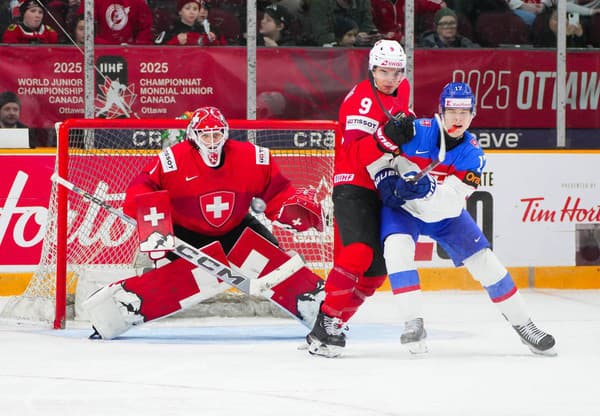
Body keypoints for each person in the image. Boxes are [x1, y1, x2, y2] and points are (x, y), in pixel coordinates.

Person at [379, 82, 557, 356]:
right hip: (404, 208)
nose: (458, 118)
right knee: (396, 248)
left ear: (473, 114)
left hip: (444, 215)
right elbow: (382, 154)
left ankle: (525, 326)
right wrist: (387, 168)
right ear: (441, 111)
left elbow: (451, 204)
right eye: (452, 110)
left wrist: (427, 189)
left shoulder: (473, 154)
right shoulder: (418, 130)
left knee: (486, 262)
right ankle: (413, 322)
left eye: (464, 111)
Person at [305, 40, 427, 358]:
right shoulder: (360, 101)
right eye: (384, 71)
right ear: (372, 69)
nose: (391, 78)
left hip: (383, 187)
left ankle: (335, 323)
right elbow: (356, 153)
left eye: (397, 72)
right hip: (354, 184)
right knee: (357, 252)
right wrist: (387, 138)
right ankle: (327, 322)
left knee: (375, 272)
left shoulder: (403, 89)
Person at [123, 106, 321, 257]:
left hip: (236, 229)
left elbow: (277, 191)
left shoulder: (252, 157)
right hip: (186, 235)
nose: (211, 142)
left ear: (225, 133)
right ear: (193, 135)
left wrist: (290, 211)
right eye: (205, 135)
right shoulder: (172, 159)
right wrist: (151, 225)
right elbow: (144, 186)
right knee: (167, 272)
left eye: (216, 134)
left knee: (279, 264)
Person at [75, 0, 153, 44]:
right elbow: (83, 26)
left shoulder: (138, 2)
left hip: (130, 55)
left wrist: (134, 48)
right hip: (98, 53)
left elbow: (145, 30)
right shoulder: (91, 2)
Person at [309, 0, 381, 47]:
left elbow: (368, 26)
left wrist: (371, 37)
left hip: (358, 53)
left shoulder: (363, 2)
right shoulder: (320, 3)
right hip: (327, 53)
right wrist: (351, 39)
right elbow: (321, 36)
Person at [155, 0, 225, 46]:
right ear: (180, 12)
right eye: (187, 8)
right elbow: (158, 52)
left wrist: (211, 40)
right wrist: (175, 41)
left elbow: (216, 51)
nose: (192, 12)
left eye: (195, 9)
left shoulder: (204, 30)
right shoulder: (171, 30)